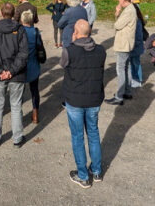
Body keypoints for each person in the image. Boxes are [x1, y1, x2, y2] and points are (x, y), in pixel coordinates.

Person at [60, 19, 105, 188]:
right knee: (93, 133)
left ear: (76, 33)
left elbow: (63, 65)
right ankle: (97, 171)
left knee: (78, 137)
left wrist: (73, 42)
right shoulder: (101, 51)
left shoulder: (69, 51)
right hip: (94, 99)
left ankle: (83, 175)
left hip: (75, 100)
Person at [0, 3, 29, 148]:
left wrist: (6, 71)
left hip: (9, 73)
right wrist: (3, 71)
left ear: (2, 13)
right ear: (13, 13)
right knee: (15, 106)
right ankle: (16, 138)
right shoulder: (15, 29)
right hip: (10, 73)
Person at [105, 0, 136, 106]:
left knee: (121, 69)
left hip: (124, 44)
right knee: (126, 68)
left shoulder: (128, 11)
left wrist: (117, 13)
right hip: (126, 43)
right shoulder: (130, 9)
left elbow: (117, 25)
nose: (118, 1)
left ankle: (119, 96)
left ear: (123, 0)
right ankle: (127, 91)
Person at [20, 10, 42, 124]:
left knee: (19, 91)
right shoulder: (35, 32)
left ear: (22, 20)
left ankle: (18, 114)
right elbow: (40, 47)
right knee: (34, 90)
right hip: (33, 64)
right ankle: (35, 114)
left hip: (21, 66)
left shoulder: (18, 32)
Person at [129, 0, 146, 88]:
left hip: (136, 41)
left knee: (136, 61)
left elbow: (137, 29)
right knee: (133, 61)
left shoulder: (135, 7)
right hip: (134, 41)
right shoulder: (133, 6)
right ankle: (134, 78)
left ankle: (138, 79)